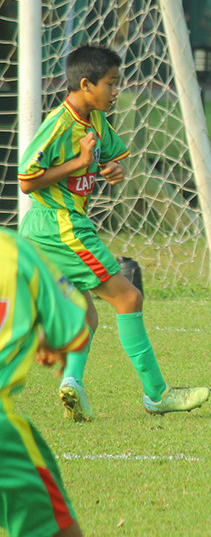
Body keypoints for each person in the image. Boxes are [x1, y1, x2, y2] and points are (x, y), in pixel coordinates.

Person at [18, 45, 209, 420]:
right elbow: (27, 179)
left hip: (55, 230)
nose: (116, 90)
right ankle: (158, 394)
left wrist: (110, 171)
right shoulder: (59, 124)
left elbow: (112, 159)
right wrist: (80, 162)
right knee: (129, 299)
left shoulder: (97, 120)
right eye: (111, 83)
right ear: (86, 84)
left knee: (86, 315)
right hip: (61, 229)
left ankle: (72, 385)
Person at [0, 230, 90, 537]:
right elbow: (77, 329)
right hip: (2, 437)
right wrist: (49, 338)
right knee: (60, 530)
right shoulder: (12, 252)